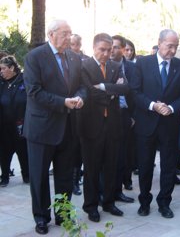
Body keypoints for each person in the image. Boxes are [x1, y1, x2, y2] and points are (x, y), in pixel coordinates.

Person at [23, 19, 86, 235]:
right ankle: (41, 218)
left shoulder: (74, 58)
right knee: (39, 177)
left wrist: (80, 98)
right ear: (51, 34)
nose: (69, 37)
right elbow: (34, 92)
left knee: (65, 176)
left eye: (70, 33)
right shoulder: (34, 57)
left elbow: (81, 87)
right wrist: (62, 102)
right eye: (65, 33)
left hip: (68, 126)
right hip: (41, 128)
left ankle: (63, 215)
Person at [131, 29, 180, 219]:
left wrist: (171, 108)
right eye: (169, 46)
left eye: (175, 46)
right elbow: (135, 92)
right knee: (145, 165)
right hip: (146, 124)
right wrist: (153, 105)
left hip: (169, 124)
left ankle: (165, 202)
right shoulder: (142, 63)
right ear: (159, 43)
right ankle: (144, 201)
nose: (172, 50)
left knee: (169, 166)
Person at [77, 33, 129, 223]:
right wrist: (111, 90)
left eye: (109, 49)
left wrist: (102, 87)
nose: (106, 53)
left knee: (111, 166)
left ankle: (108, 202)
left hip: (113, 125)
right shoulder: (84, 66)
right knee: (91, 168)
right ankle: (91, 206)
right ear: (94, 48)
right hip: (91, 125)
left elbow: (125, 89)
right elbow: (89, 93)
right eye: (102, 49)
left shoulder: (116, 66)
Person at [110, 34, 136, 201]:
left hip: (126, 115)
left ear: (123, 49)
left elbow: (136, 92)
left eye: (116, 47)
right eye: (109, 47)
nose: (111, 50)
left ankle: (119, 189)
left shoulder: (132, 68)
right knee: (109, 155)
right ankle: (107, 192)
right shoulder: (104, 67)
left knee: (124, 154)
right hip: (109, 115)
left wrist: (134, 116)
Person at [0, 55, 29, 187]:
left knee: (23, 152)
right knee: (4, 153)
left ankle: (27, 176)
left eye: (3, 68)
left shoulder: (24, 80)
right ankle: (4, 177)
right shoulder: (1, 82)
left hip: (21, 125)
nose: (1, 71)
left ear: (12, 68)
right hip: (4, 126)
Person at [69, 33, 89, 196]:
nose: (73, 47)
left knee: (80, 149)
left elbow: (86, 85)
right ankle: (72, 181)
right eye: (70, 44)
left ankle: (76, 180)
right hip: (67, 113)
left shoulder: (86, 61)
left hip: (85, 111)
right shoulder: (62, 60)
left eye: (75, 44)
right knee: (72, 149)